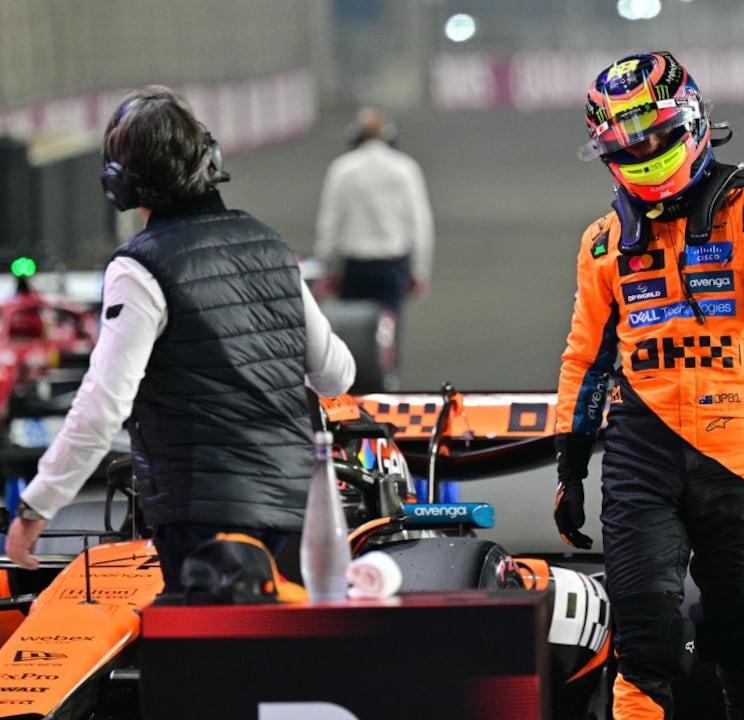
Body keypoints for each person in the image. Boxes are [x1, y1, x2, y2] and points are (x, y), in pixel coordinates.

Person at [553, 51, 744, 719]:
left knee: (743, 638)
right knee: (643, 639)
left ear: (691, 123)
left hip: (735, 454)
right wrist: (570, 462)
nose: (641, 152)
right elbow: (585, 360)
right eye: (626, 144)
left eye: (652, 137)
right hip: (641, 453)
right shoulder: (603, 245)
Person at [4, 86, 356, 593]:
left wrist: (38, 505)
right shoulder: (270, 244)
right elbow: (335, 373)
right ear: (209, 158)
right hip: (298, 510)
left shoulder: (139, 267)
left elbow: (103, 406)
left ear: (119, 185)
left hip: (204, 516)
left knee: (212, 669)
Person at [313, 106, 435, 319]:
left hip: (355, 267)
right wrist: (419, 270)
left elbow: (329, 223)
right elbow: (419, 223)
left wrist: (326, 266)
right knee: (389, 337)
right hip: (392, 264)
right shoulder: (404, 168)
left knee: (351, 337)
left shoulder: (342, 169)